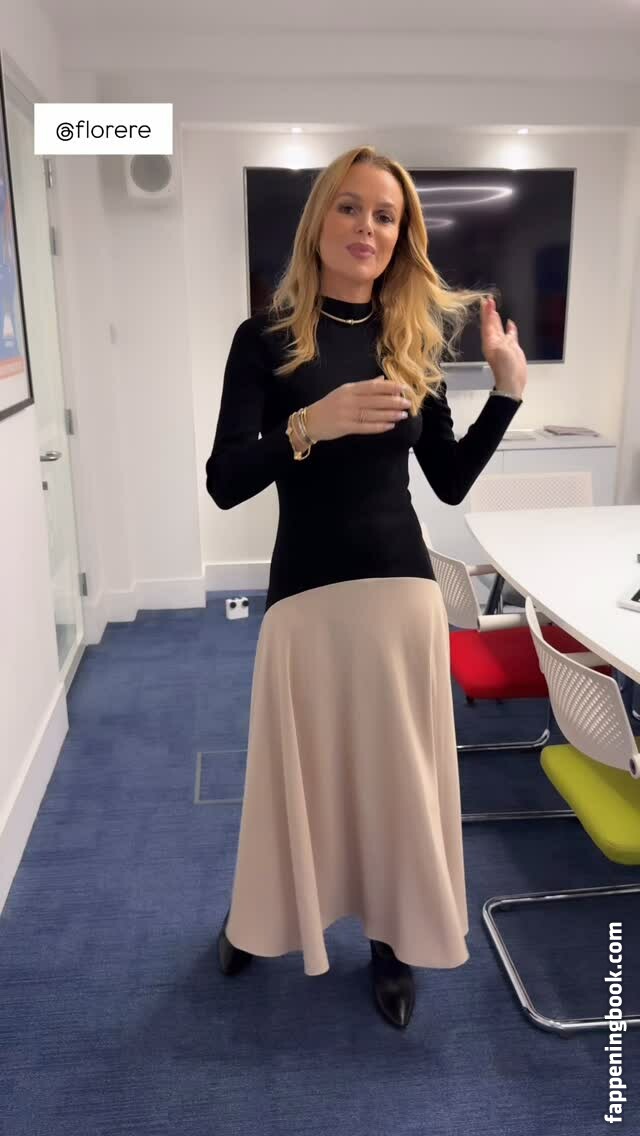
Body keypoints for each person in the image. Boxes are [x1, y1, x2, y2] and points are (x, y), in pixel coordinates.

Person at [205, 145, 527, 1030]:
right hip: (306, 602)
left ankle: (391, 943)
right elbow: (226, 480)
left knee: (393, 784)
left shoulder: (409, 343)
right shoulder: (264, 340)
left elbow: (449, 482)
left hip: (401, 599)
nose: (367, 227)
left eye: (386, 216)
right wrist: (309, 425)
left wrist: (506, 394)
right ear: (321, 220)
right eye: (350, 207)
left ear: (402, 238)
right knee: (296, 780)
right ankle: (262, 916)